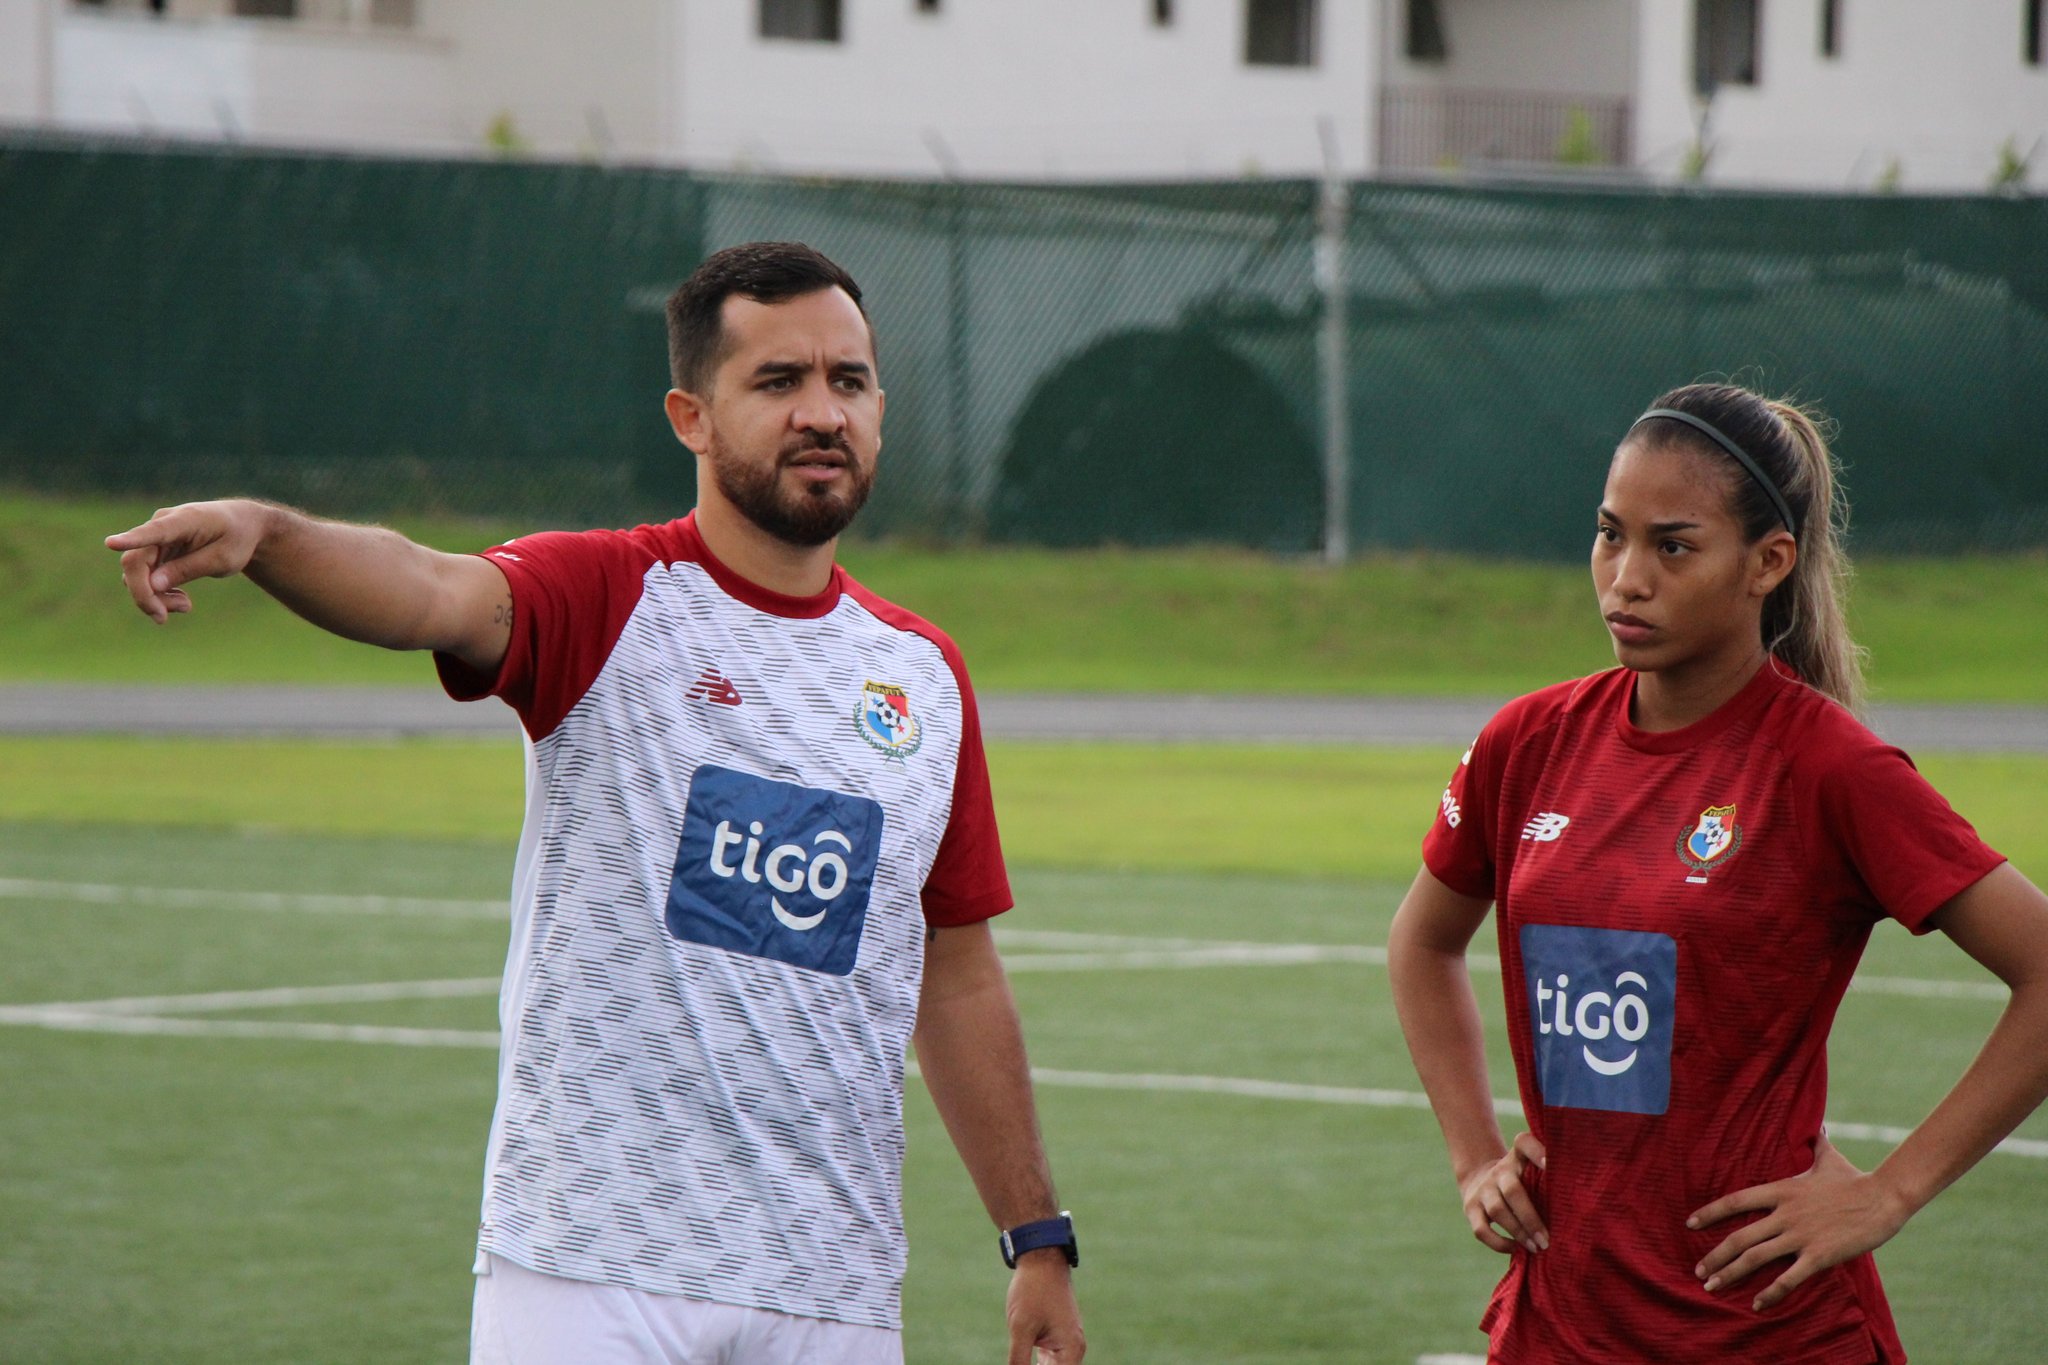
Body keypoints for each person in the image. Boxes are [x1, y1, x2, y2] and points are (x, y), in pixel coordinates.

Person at [106, 241, 1085, 1365]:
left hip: (832, 1288)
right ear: (690, 417)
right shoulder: (608, 595)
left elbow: (954, 976)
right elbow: (426, 587)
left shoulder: (920, 676)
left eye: (848, 382)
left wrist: (1035, 1238)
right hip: (588, 1269)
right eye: (777, 382)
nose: (822, 412)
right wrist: (269, 535)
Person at [1387, 382, 2048, 1363]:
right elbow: (1422, 942)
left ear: (1765, 564)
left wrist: (1886, 1193)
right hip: (1559, 1321)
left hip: (1765, 1332)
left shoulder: (1827, 770)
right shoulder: (1526, 741)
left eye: (1672, 546)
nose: (1624, 578)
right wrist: (1473, 1153)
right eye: (1608, 535)